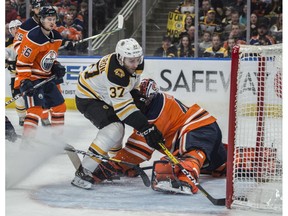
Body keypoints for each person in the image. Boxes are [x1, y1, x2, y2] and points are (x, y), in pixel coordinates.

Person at [92, 78, 227, 194]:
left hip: (199, 128)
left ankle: (185, 179)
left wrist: (114, 165)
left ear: (147, 99)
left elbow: (139, 149)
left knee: (192, 154)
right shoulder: (154, 104)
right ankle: (234, 161)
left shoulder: (156, 113)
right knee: (217, 163)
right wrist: (128, 165)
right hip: (205, 130)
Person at [71, 38, 165, 189]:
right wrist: (147, 128)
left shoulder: (131, 64)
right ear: (121, 59)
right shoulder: (115, 74)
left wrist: (137, 97)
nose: (135, 64)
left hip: (103, 95)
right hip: (88, 97)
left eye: (137, 59)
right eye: (131, 61)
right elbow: (125, 111)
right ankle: (85, 170)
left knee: (118, 128)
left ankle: (113, 164)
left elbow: (132, 85)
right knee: (114, 128)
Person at [14, 6, 67, 140]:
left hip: (47, 79)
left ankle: (57, 140)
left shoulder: (57, 37)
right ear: (41, 20)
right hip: (31, 78)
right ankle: (27, 143)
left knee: (60, 107)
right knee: (35, 110)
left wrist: (56, 66)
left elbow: (50, 57)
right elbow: (22, 62)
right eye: (49, 19)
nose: (52, 22)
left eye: (54, 19)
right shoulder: (32, 37)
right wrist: (25, 81)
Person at [13, 0, 52, 126]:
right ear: (33, 10)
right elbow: (17, 44)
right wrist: (31, 55)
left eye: (43, 8)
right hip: (28, 65)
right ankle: (26, 118)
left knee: (45, 92)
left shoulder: (48, 23)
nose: (40, 10)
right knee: (28, 91)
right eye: (38, 8)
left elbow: (51, 42)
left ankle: (45, 118)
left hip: (43, 65)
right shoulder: (26, 25)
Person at [6, 19, 26, 126]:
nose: (16, 30)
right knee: (18, 98)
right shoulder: (8, 43)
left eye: (18, 27)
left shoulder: (28, 39)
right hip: (15, 75)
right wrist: (7, 62)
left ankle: (41, 117)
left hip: (28, 73)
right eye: (13, 28)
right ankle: (22, 118)